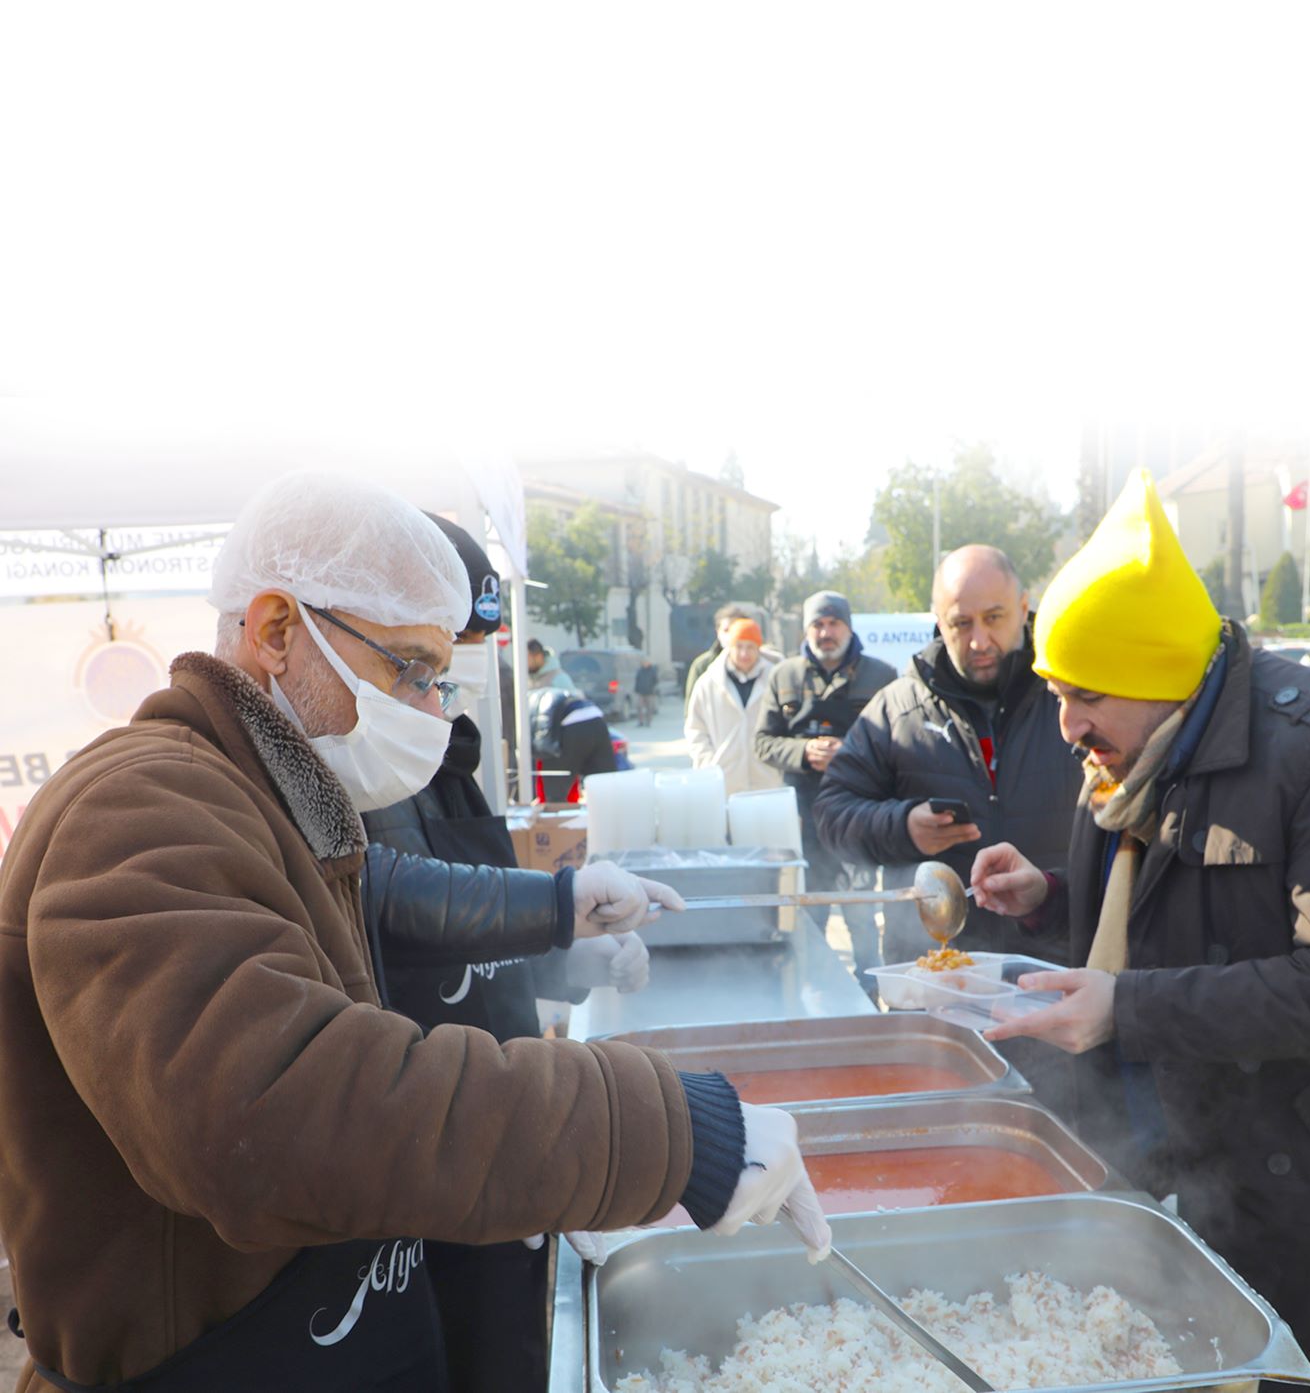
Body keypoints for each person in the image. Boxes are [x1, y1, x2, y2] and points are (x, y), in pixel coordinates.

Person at [0, 472, 831, 1392]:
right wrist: (661, 1128)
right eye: (409, 668)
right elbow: (278, 1111)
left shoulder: (281, 804)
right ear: (277, 629)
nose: (433, 709)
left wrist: (541, 1113)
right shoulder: (141, 803)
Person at [969, 469, 1310, 1393]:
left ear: (1153, 671)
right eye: (1052, 689)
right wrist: (1049, 896)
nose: (1065, 723)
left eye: (1084, 692)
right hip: (1195, 1167)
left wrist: (1124, 1008)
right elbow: (1176, 899)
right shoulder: (1135, 750)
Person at [361, 512, 629, 1393]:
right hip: (429, 1150)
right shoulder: (347, 777)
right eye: (428, 662)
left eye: (468, 651)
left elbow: (477, 934)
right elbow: (398, 900)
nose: (448, 682)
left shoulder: (440, 749)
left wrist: (566, 966)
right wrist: (559, 906)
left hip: (507, 1119)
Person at [814, 548, 1081, 966]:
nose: (979, 640)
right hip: (935, 973)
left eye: (994, 617)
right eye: (960, 623)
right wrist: (902, 828)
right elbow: (831, 814)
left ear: (1025, 607)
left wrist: (1051, 890)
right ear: (939, 621)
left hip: (1055, 969)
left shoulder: (1073, 698)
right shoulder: (896, 711)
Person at [753, 592, 895, 993]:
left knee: (861, 914)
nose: (826, 632)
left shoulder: (881, 676)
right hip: (804, 818)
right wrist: (802, 751)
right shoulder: (784, 677)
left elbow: (898, 743)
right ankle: (812, 991)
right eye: (817, 624)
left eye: (834, 623)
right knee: (810, 912)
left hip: (859, 816)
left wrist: (848, 751)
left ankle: (869, 994)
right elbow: (763, 742)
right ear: (806, 629)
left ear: (849, 628)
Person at [684, 618, 782, 797]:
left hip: (768, 781)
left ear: (758, 648)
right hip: (723, 783)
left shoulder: (776, 679)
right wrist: (708, 764)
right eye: (739, 646)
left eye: (750, 647)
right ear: (729, 647)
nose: (744, 653)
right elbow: (695, 730)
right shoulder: (708, 683)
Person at [529, 683, 617, 802]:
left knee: (554, 794)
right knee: (604, 788)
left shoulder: (525, 703)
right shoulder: (545, 695)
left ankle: (556, 817)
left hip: (570, 724)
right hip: (596, 717)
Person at [683, 602, 751, 708]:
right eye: (726, 630)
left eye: (736, 629)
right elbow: (692, 711)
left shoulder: (762, 665)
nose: (731, 635)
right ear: (717, 632)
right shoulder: (703, 666)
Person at [634, 657, 660, 726]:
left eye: (646, 662)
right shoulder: (640, 670)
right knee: (639, 707)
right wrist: (637, 689)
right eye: (643, 662)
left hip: (650, 692)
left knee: (649, 708)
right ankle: (640, 721)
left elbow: (656, 680)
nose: (644, 664)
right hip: (641, 692)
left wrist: (652, 687)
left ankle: (648, 722)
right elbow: (637, 680)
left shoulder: (652, 671)